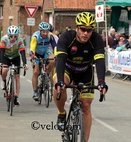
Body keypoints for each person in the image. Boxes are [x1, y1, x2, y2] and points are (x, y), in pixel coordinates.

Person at [53, 12, 108, 142]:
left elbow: (100, 61)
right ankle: (61, 113)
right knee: (58, 87)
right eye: (83, 29)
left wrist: (101, 82)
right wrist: (60, 81)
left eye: (89, 30)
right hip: (67, 69)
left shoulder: (96, 39)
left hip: (85, 71)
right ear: (77, 28)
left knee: (86, 106)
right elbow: (60, 60)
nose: (86, 33)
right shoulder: (66, 37)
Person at [0, 25, 28, 106]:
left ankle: (16, 97)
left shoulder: (19, 41)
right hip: (6, 57)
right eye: (11, 36)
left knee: (17, 77)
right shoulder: (4, 39)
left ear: (17, 36)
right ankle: (3, 81)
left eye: (15, 36)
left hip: (15, 57)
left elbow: (22, 53)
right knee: (5, 70)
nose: (13, 38)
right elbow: (1, 52)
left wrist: (25, 64)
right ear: (8, 35)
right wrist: (1, 63)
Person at [30, 22, 56, 101]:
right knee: (36, 72)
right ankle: (35, 92)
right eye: (43, 31)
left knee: (53, 59)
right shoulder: (36, 36)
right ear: (40, 31)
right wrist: (32, 56)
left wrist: (57, 54)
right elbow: (32, 47)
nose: (45, 33)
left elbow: (55, 46)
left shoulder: (50, 35)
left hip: (45, 52)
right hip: (37, 53)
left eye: (46, 31)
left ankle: (47, 74)